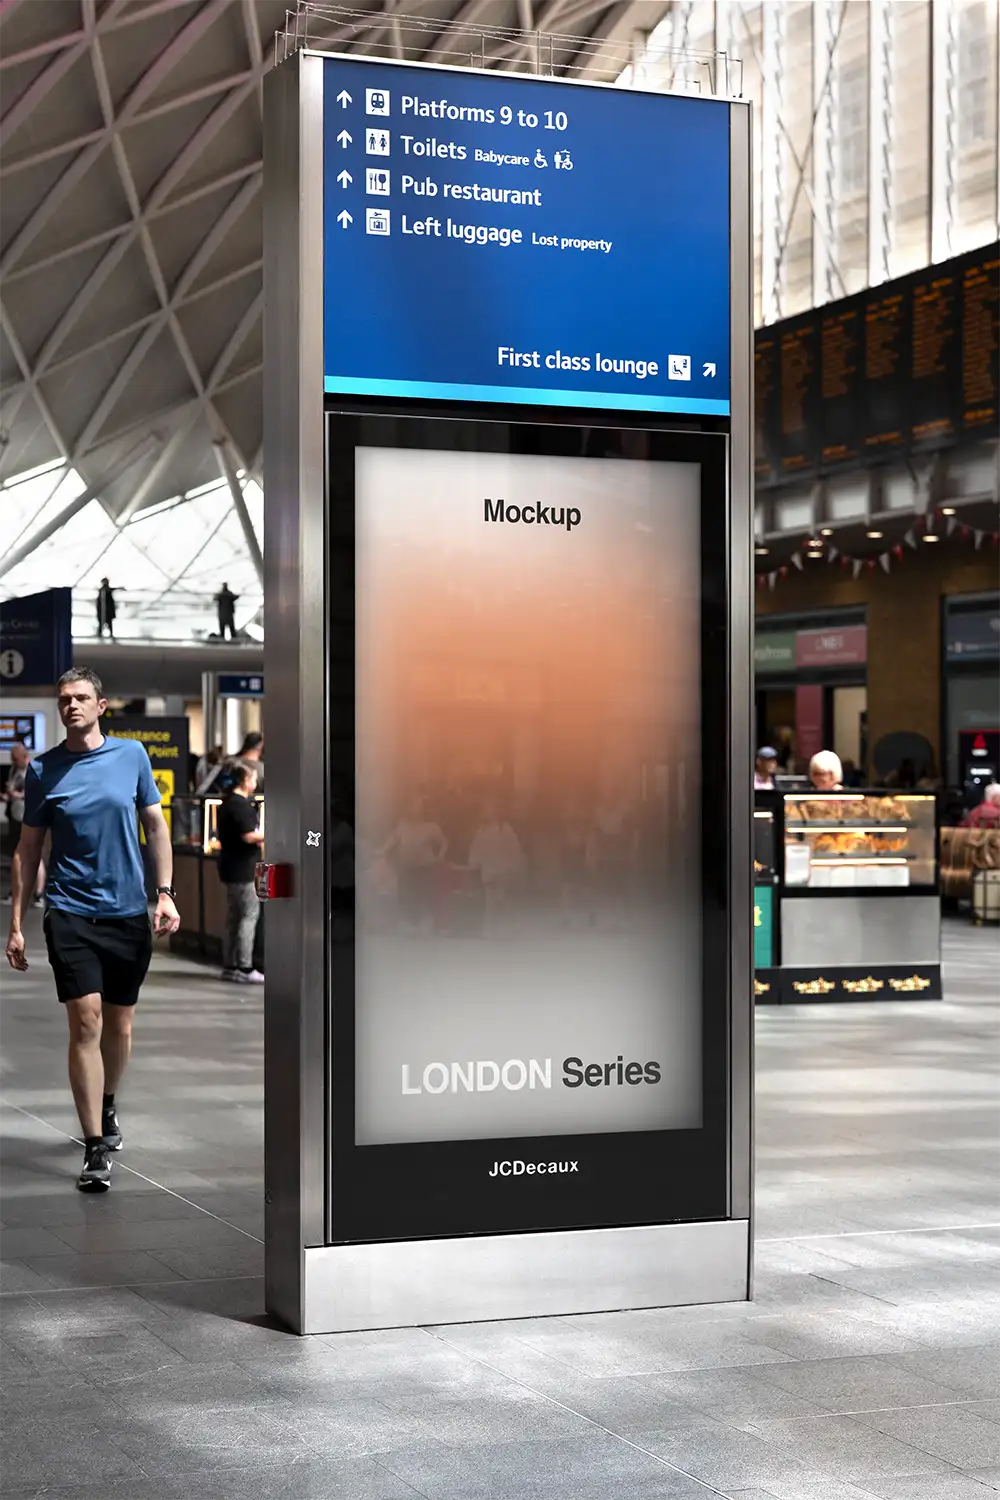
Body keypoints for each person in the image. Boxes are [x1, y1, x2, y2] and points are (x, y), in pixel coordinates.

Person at [4, 667, 180, 1193]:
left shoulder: (131, 757)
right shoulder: (43, 771)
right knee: (86, 1022)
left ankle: (107, 1105)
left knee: (120, 1026)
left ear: (101, 705)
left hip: (127, 911)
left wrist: (165, 892)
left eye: (81, 698)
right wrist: (17, 923)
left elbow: (155, 825)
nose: (71, 706)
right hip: (69, 910)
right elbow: (27, 849)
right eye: (64, 700)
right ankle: (94, 1146)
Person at [216, 761, 264, 983]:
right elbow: (248, 835)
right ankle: (244, 966)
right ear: (245, 780)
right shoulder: (240, 805)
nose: (255, 783)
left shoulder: (226, 804)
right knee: (248, 915)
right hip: (244, 869)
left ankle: (230, 964)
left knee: (234, 917)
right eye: (253, 779)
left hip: (229, 867)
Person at [2, 741, 29, 899]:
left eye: (15, 759)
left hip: (25, 817)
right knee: (16, 853)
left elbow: (33, 793)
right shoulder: (15, 770)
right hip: (15, 814)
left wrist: (17, 795)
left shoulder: (32, 771)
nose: (14, 762)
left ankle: (21, 891)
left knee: (23, 855)